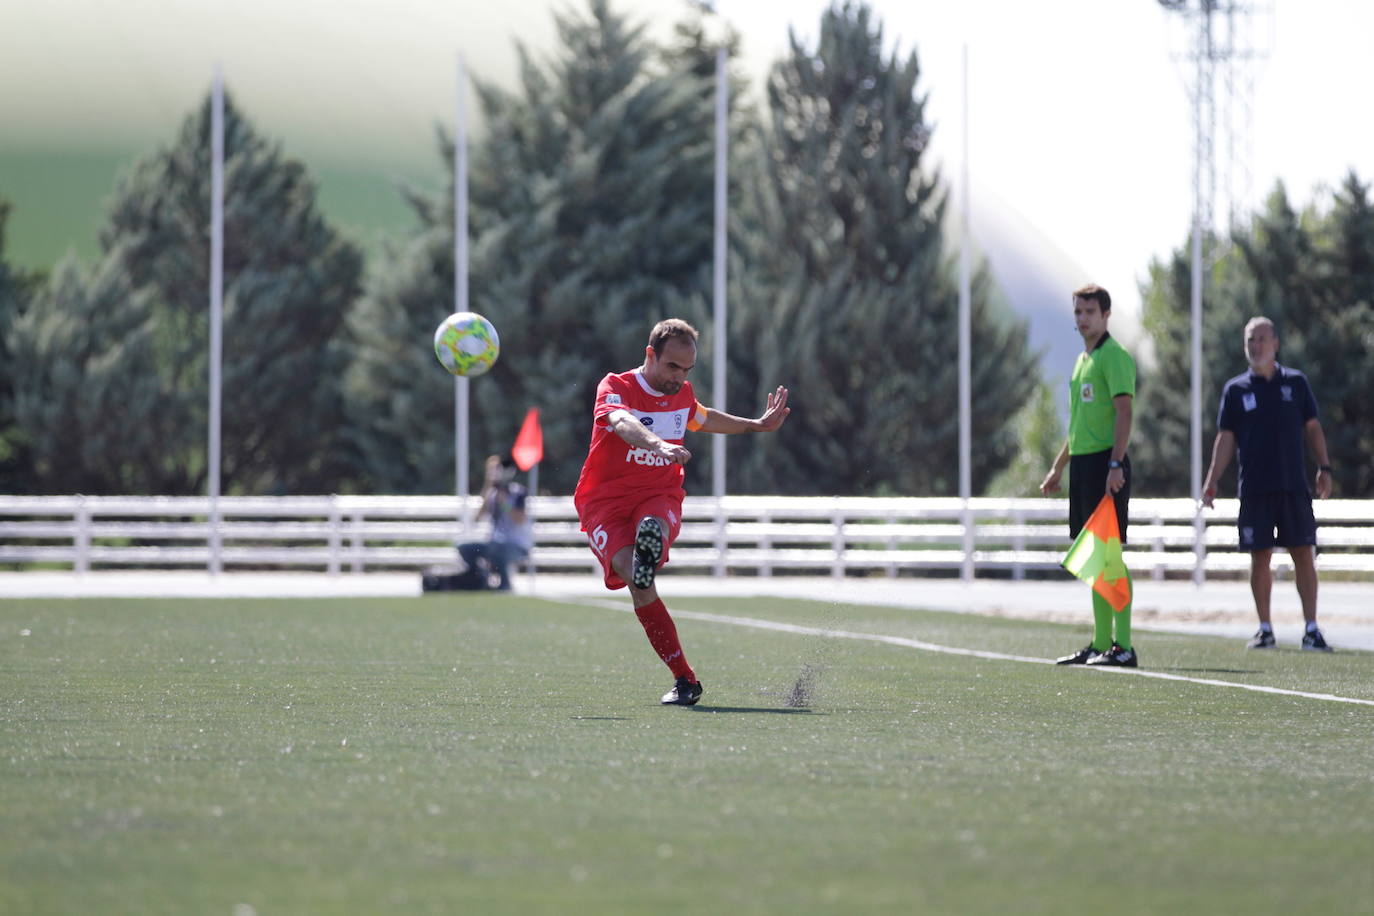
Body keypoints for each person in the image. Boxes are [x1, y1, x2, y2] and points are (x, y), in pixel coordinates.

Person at [573, 318, 790, 706]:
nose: (679, 377)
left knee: (652, 526)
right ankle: (684, 679)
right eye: (672, 367)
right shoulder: (616, 386)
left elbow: (702, 417)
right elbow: (621, 421)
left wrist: (754, 425)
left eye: (687, 370)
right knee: (636, 579)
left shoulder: (681, 393)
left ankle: (649, 541)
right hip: (603, 502)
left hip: (658, 493)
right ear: (650, 354)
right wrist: (657, 443)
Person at [1200, 317, 1334, 651]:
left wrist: (1324, 467)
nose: (1256, 346)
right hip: (1255, 488)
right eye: (1250, 340)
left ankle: (1312, 629)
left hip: (1293, 486)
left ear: (1275, 343)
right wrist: (1212, 479)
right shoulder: (1236, 390)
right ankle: (1265, 629)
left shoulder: (1297, 384)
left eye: (1261, 339)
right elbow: (1226, 438)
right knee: (1259, 557)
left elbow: (1313, 428)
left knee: (1303, 553)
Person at [1040, 283, 1139, 667]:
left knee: (1109, 557)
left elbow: (1124, 414)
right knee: (1094, 558)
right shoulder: (1083, 360)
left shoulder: (1113, 356)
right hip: (1083, 464)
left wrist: (1115, 464)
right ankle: (1100, 644)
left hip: (1104, 465)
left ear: (1105, 315)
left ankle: (1124, 646)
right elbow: (1078, 424)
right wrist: (1058, 467)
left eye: (1089, 312)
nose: (1082, 319)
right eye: (1078, 312)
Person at [456, 454, 533, 591]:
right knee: (465, 548)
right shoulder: (491, 493)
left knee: (498, 549)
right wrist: (488, 486)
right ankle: (479, 580)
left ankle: (505, 584)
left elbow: (520, 520)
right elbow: (477, 518)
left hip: (516, 545)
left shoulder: (518, 492)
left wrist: (504, 504)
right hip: (494, 543)